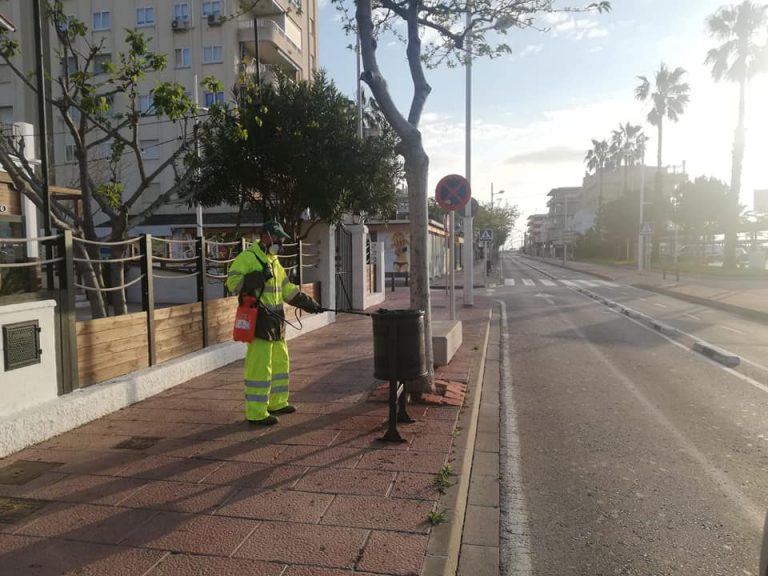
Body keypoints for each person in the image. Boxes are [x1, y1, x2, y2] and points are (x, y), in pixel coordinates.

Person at [226, 221, 322, 426]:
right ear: (266, 236)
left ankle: (277, 402)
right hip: (260, 320)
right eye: (277, 237)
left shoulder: (274, 261)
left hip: (276, 321)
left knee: (280, 363)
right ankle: (256, 412)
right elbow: (232, 283)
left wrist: (309, 304)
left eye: (281, 238)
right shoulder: (248, 258)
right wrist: (256, 278)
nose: (280, 242)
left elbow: (287, 290)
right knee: (259, 368)